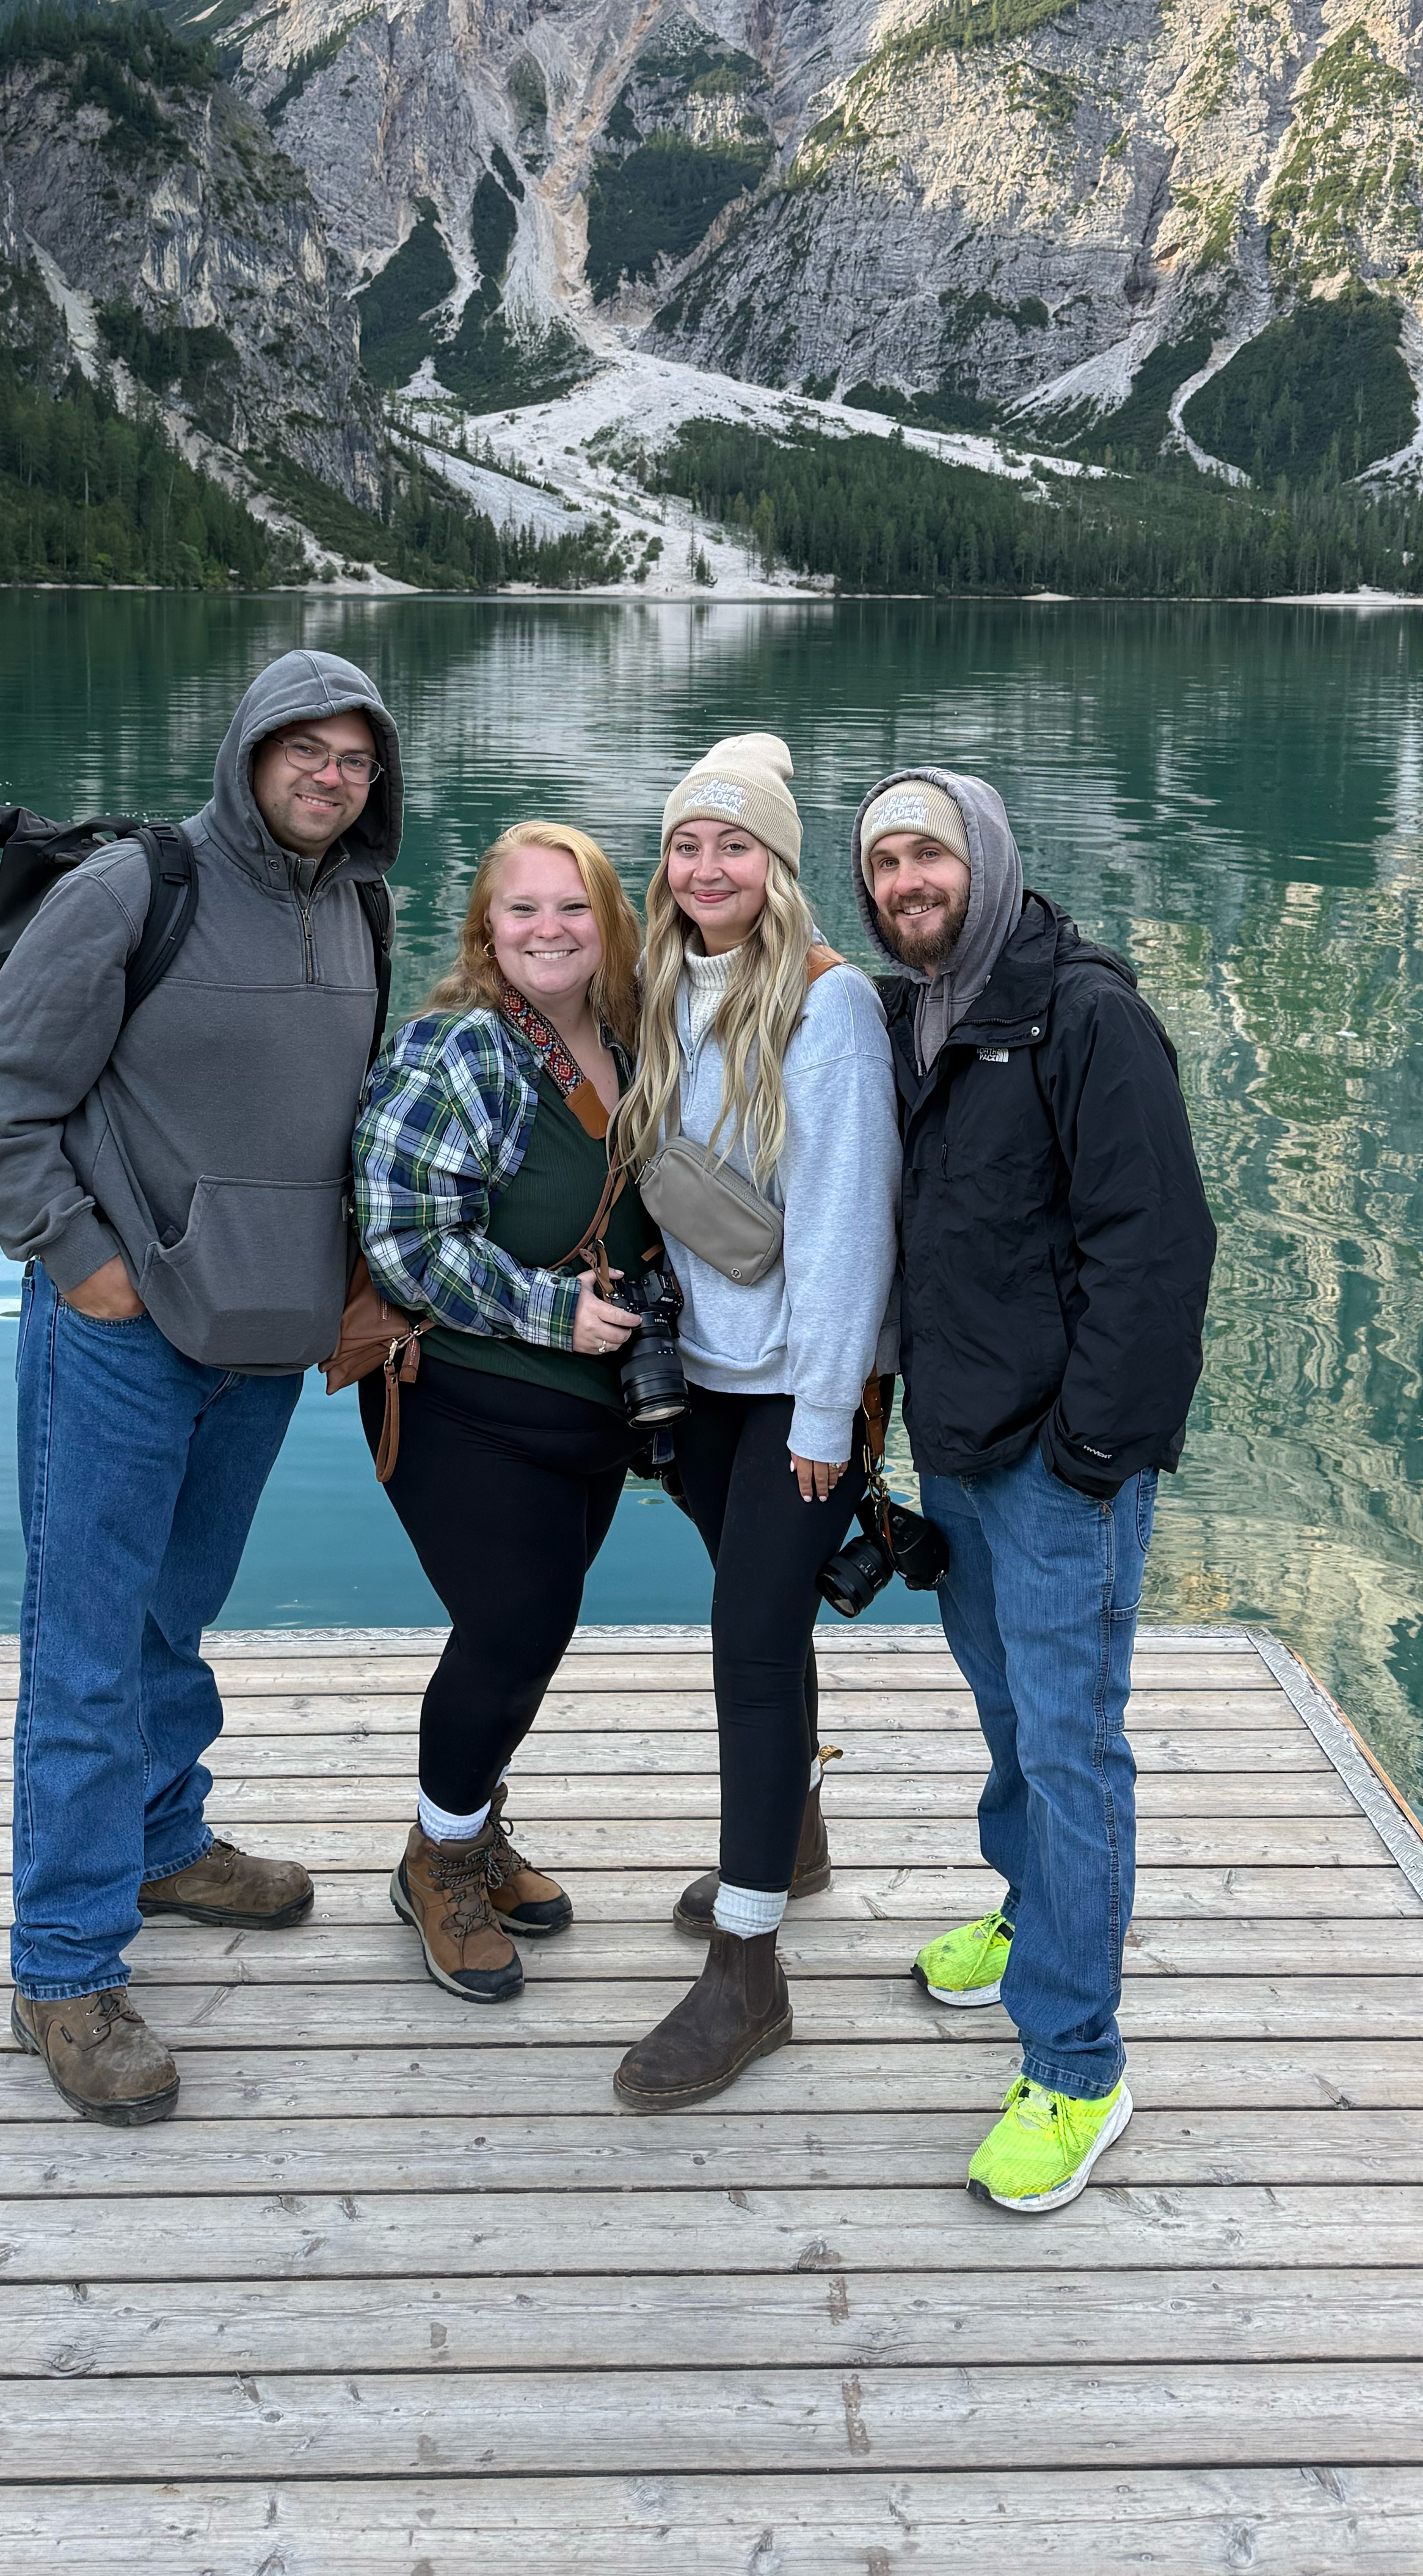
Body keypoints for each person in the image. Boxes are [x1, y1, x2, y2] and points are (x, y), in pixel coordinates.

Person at [0, 647, 402, 2128]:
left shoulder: (366, 912)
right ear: (250, 750)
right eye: (305, 749)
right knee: (85, 1641)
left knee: (167, 1615)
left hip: (264, 1353)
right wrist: (81, 1262)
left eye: (355, 758)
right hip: (124, 1336)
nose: (329, 776)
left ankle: (160, 1836)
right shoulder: (138, 889)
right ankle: (64, 1971)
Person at [853, 767, 1215, 2214]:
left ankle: (1076, 2066)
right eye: (881, 862)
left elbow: (1159, 1247)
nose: (904, 883)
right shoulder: (915, 1019)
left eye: (926, 854)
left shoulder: (1087, 1016)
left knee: (1072, 1744)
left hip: (1063, 1468)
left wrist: (1092, 1455)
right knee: (1009, 1709)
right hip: (963, 1448)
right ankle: (1028, 1917)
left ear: (986, 861)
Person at [610, 733, 899, 2111]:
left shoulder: (828, 1009)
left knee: (745, 1653)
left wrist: (830, 1414)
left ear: (779, 865)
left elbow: (848, 1227)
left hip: (799, 1390)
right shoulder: (670, 983)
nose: (707, 866)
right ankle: (791, 1847)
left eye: (736, 845)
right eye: (685, 844)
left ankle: (748, 1970)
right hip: (712, 1384)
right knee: (761, 1634)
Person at [351, 824, 653, 2003]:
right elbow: (403, 1241)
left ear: (609, 923)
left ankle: (468, 1825)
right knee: (513, 1628)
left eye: (573, 909)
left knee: (541, 1628)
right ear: (487, 928)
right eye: (521, 910)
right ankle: (437, 1860)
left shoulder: (630, 1038)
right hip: (463, 1399)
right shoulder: (458, 1047)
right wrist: (552, 1314)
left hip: (590, 1409)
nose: (548, 931)